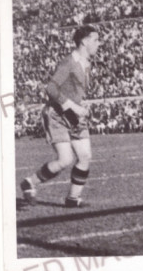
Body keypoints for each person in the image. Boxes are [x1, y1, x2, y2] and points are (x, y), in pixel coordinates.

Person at [20, 25, 101, 208]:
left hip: (73, 115)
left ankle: (73, 198)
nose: (99, 44)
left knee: (85, 156)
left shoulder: (86, 63)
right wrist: (72, 106)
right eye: (96, 40)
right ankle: (29, 183)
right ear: (84, 41)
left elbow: (73, 91)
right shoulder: (69, 63)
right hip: (57, 115)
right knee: (65, 160)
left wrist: (78, 107)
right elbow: (51, 88)